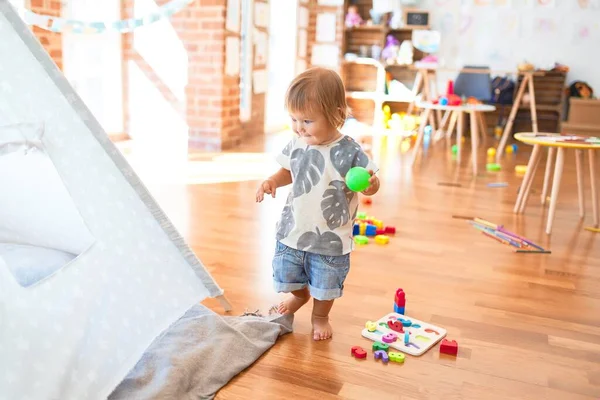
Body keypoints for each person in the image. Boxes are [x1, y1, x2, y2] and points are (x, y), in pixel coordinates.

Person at [256, 67, 380, 340]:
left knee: (326, 282)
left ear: (335, 115)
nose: (299, 127)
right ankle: (299, 297)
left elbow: (371, 180)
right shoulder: (298, 143)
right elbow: (289, 170)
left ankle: (320, 316)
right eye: (294, 119)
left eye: (307, 121)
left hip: (331, 239)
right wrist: (272, 181)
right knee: (289, 274)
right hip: (294, 230)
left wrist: (371, 185)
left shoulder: (349, 151)